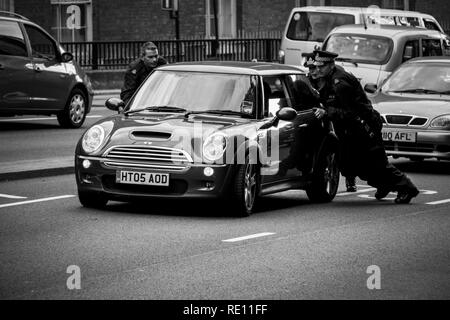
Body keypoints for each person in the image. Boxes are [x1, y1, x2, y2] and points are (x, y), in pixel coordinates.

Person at [310, 49, 419, 204]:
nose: (318, 70)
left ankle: (407, 188)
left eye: (321, 67)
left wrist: (327, 111)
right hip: (353, 130)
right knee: (353, 165)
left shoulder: (340, 83)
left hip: (364, 128)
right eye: (317, 66)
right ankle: (384, 185)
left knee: (378, 164)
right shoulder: (331, 77)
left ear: (331, 65)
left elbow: (350, 112)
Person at [303, 52, 358, 192]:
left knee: (347, 151)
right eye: (310, 69)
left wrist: (327, 111)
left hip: (340, 120)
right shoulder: (307, 81)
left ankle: (350, 179)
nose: (313, 72)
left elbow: (346, 106)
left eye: (315, 68)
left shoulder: (333, 80)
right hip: (321, 120)